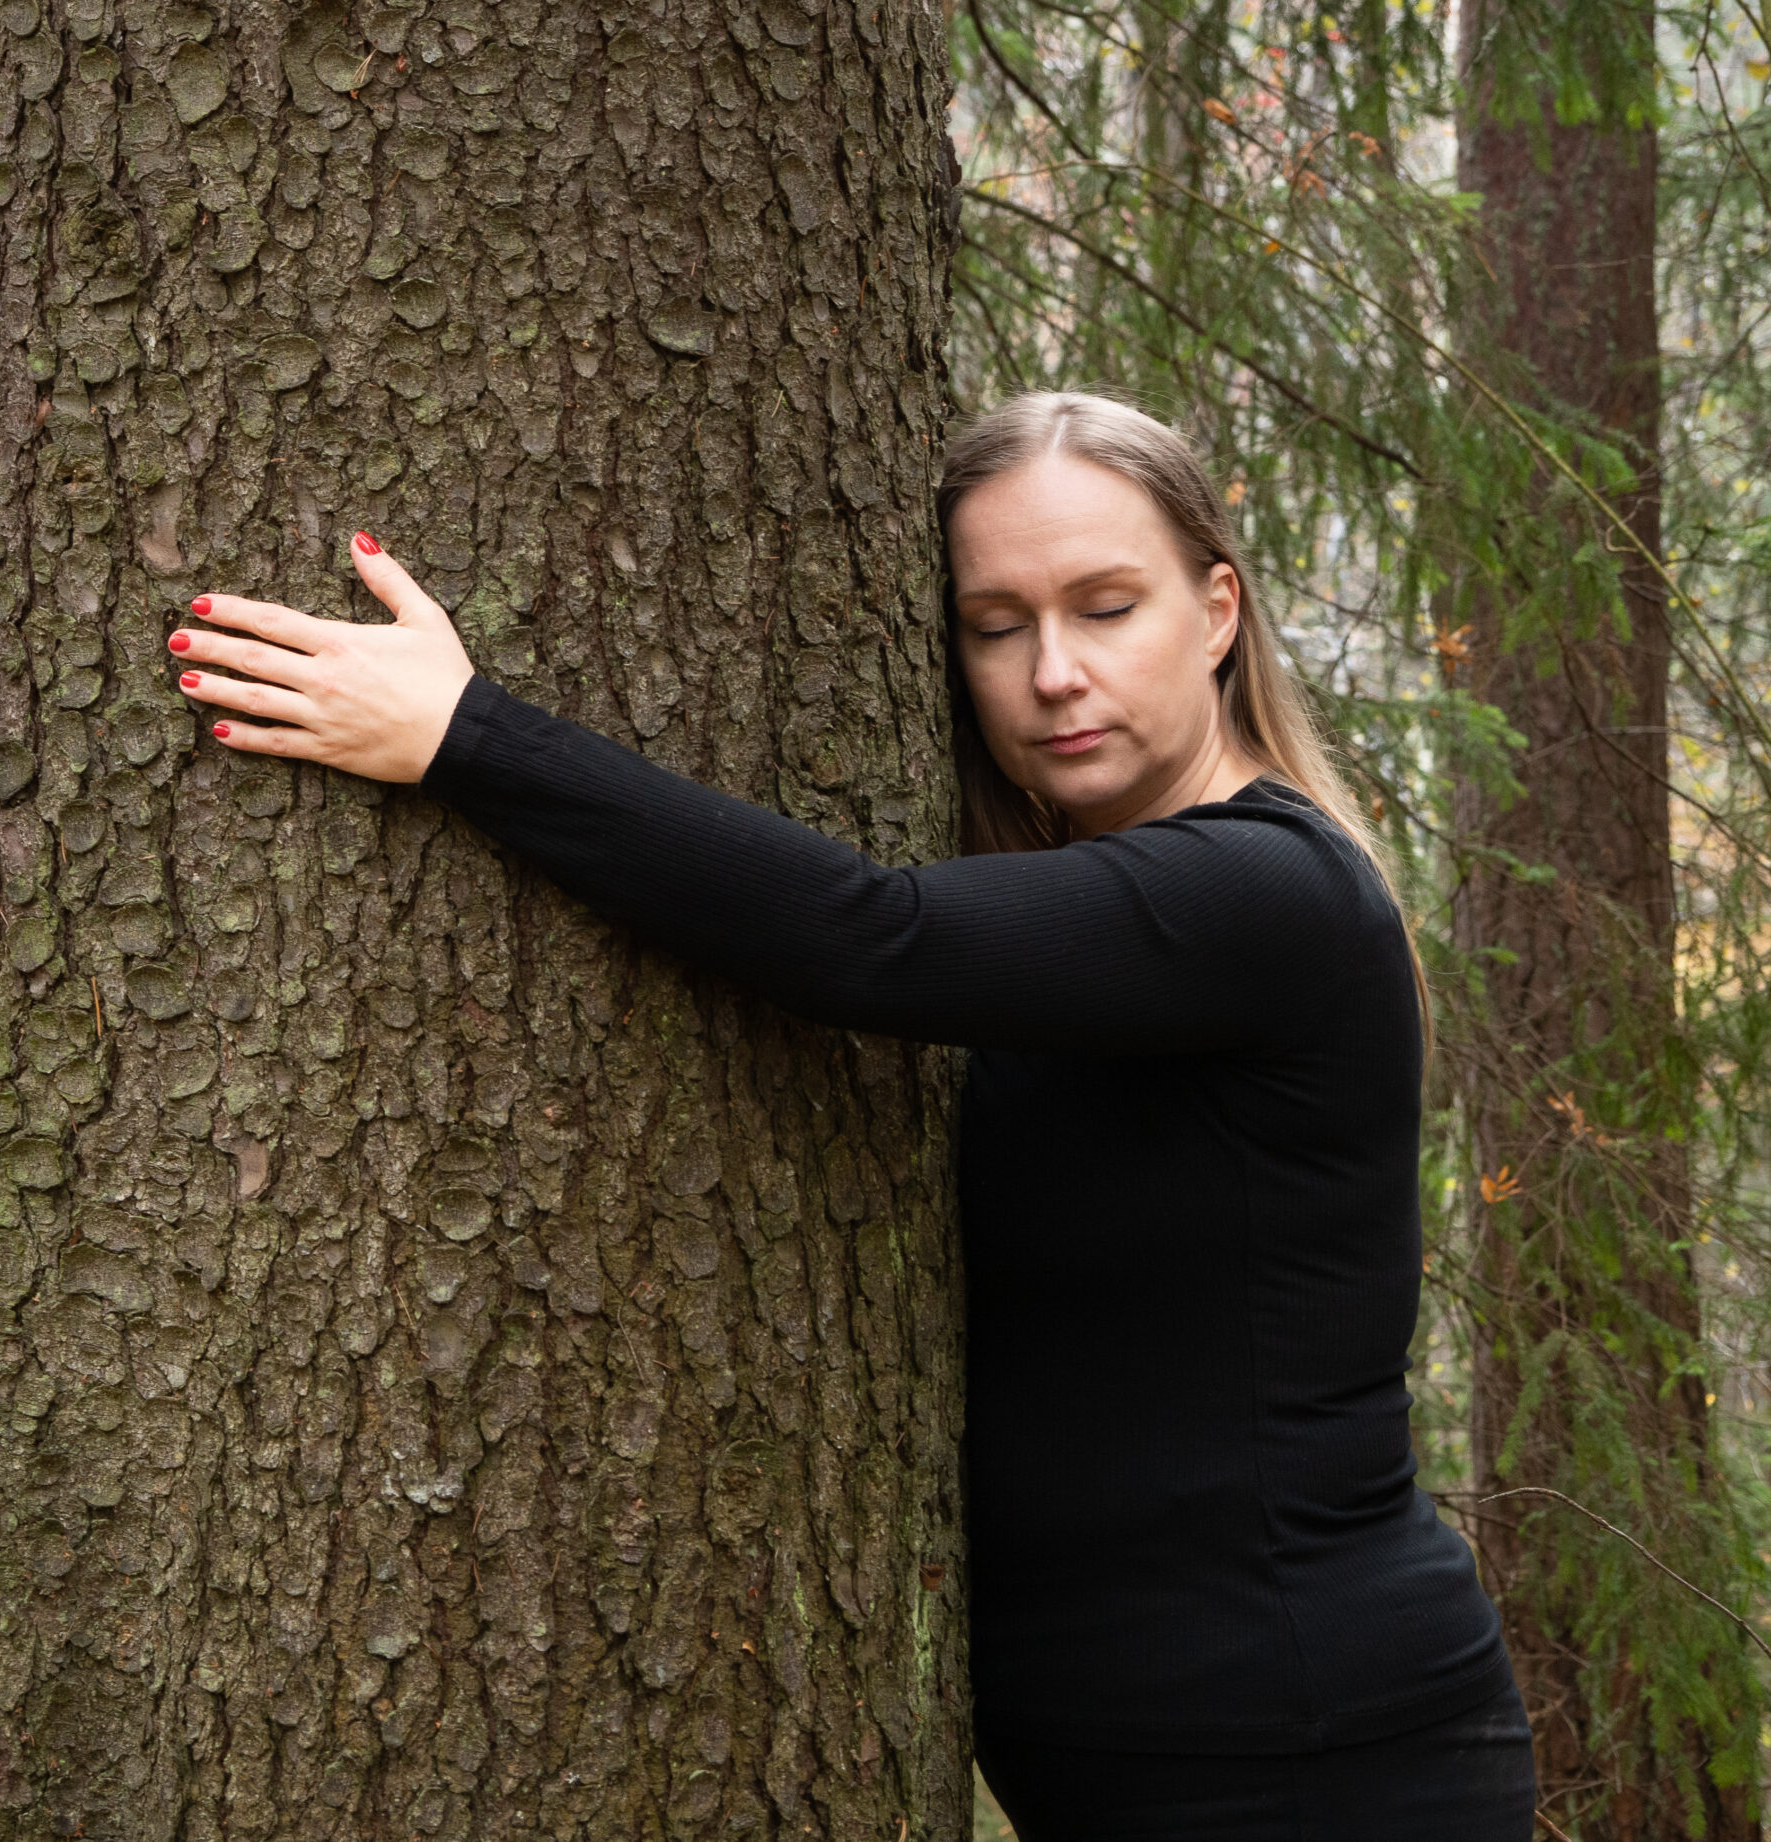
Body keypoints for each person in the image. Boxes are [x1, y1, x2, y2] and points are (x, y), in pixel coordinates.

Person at [161, 391, 1537, 1840]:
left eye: (1107, 606)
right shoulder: (1089, 934)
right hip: (1159, 1758)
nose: (1053, 671)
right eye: (995, 625)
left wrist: (465, 734)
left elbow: (863, 938)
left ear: (1215, 612)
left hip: (1319, 1755)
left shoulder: (1273, 893)